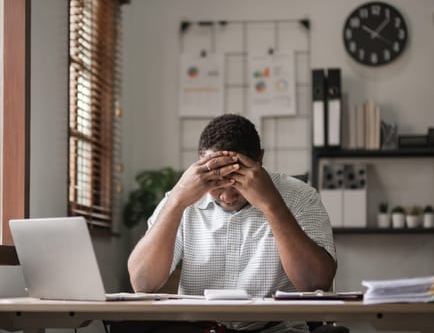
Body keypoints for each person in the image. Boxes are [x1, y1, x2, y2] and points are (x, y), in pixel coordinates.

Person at [127, 113, 337, 333]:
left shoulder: (301, 197)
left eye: (236, 181)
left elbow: (316, 283)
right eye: (216, 183)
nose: (227, 197)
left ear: (259, 161)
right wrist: (177, 202)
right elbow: (142, 283)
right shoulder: (180, 198)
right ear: (201, 163)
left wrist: (272, 205)